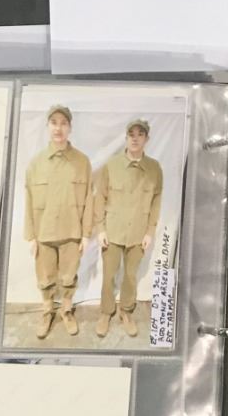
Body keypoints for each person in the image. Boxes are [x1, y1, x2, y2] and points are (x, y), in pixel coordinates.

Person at [23, 104, 93, 339]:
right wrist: (31, 236)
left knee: (68, 278)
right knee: (45, 278)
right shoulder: (36, 163)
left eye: (63, 123)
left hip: (72, 232)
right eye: (54, 123)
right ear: (47, 126)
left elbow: (89, 198)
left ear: (70, 128)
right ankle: (47, 312)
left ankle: (66, 310)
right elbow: (28, 200)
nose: (58, 128)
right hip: (44, 234)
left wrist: (86, 234)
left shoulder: (82, 162)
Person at [92, 117, 164, 340]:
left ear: (147, 139)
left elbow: (156, 202)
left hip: (138, 234)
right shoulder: (111, 166)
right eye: (131, 134)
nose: (135, 139)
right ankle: (106, 312)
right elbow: (100, 198)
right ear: (126, 137)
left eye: (140, 135)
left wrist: (150, 232)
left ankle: (126, 311)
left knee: (131, 276)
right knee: (109, 275)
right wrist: (100, 229)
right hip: (112, 232)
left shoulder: (154, 169)